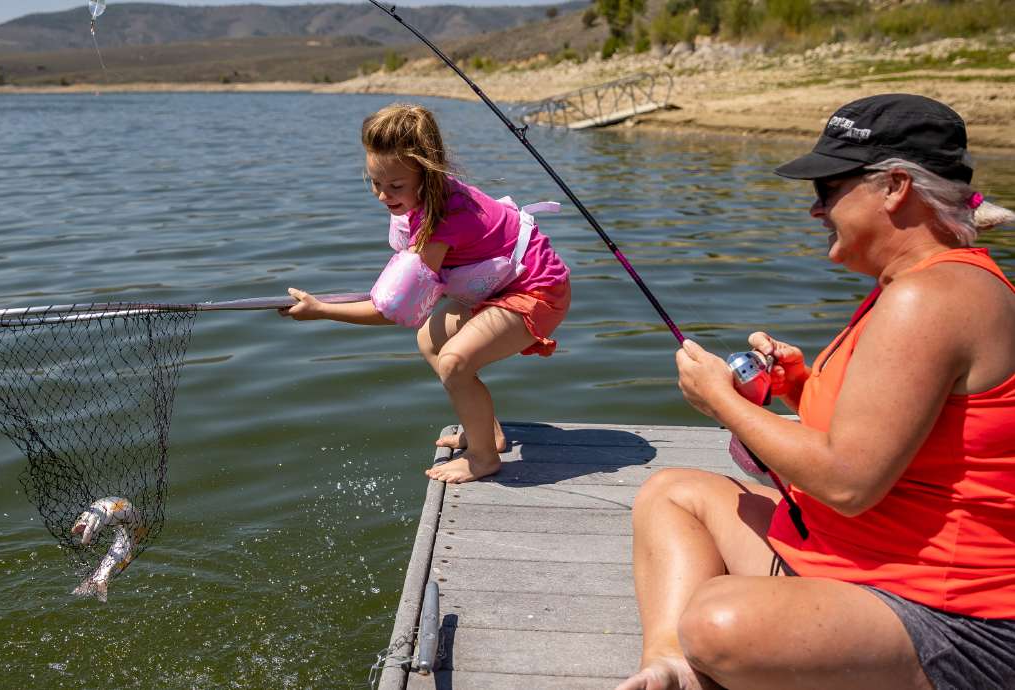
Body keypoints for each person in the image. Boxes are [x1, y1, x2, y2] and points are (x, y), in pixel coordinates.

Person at [617, 93, 1015, 690]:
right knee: (672, 492)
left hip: (952, 621)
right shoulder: (912, 285)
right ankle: (672, 667)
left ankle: (710, 654)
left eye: (827, 189)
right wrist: (798, 387)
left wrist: (719, 399)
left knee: (720, 620)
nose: (814, 209)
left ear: (895, 187)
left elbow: (848, 483)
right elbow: (891, 431)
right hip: (856, 562)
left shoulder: (929, 298)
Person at [279, 103, 571, 483]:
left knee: (454, 361)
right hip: (505, 286)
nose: (383, 195)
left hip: (538, 290)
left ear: (427, 173)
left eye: (395, 186)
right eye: (374, 182)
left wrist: (320, 310)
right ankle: (489, 433)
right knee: (430, 340)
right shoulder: (426, 202)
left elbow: (394, 311)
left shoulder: (443, 221)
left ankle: (482, 458)